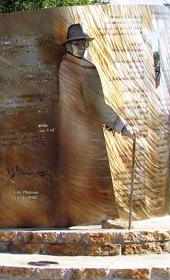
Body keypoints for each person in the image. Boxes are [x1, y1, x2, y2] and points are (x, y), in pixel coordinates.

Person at [57, 24, 133, 226]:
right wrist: (121, 125)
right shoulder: (84, 69)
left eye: (83, 44)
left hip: (70, 131)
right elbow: (96, 104)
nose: (82, 47)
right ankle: (100, 217)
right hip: (86, 132)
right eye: (77, 44)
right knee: (94, 175)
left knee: (79, 175)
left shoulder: (65, 65)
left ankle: (82, 216)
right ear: (68, 47)